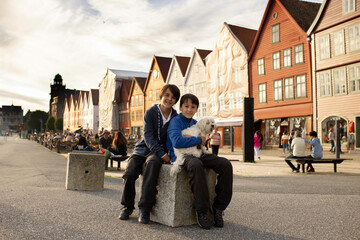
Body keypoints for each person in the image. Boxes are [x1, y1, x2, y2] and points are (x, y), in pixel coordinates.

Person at [167, 94, 233, 229]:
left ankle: (218, 208)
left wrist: (197, 140)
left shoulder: (196, 122)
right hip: (182, 155)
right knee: (196, 165)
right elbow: (177, 142)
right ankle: (202, 210)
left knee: (225, 164)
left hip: (198, 152)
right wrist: (198, 139)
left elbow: (202, 140)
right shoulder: (176, 122)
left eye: (193, 107)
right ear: (180, 107)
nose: (189, 109)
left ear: (197, 109)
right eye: (186, 106)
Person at [119, 84, 180, 224]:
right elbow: (148, 136)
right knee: (129, 173)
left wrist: (167, 154)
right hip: (143, 149)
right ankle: (127, 207)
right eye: (167, 95)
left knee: (152, 166)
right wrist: (162, 154)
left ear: (175, 100)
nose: (169, 99)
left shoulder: (176, 117)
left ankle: (145, 208)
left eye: (173, 97)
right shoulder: (151, 112)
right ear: (161, 95)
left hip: (158, 153)